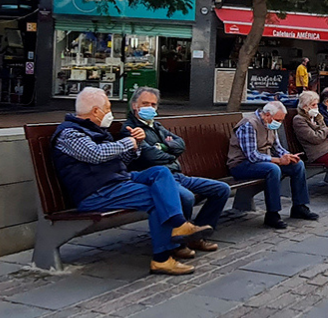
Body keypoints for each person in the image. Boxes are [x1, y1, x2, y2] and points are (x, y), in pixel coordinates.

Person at [52, 87, 211, 275]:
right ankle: (161, 258)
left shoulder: (96, 129)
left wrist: (135, 147)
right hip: (96, 192)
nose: (110, 113)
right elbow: (97, 155)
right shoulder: (70, 134)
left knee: (160, 173)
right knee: (156, 197)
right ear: (96, 111)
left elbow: (120, 162)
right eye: (108, 108)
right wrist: (126, 142)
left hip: (117, 181)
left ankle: (178, 225)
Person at [124, 87, 230, 260]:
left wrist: (163, 148)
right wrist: (169, 151)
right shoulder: (130, 129)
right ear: (135, 106)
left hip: (178, 175)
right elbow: (149, 157)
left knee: (221, 189)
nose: (150, 107)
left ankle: (196, 235)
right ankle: (178, 243)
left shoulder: (156, 126)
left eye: (153, 104)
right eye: (145, 104)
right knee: (186, 197)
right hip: (158, 179)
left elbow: (180, 144)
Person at [228, 100, 319, 229]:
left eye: (281, 120)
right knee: (273, 169)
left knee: (297, 165)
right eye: (278, 120)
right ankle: (272, 214)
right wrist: (278, 160)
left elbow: (277, 147)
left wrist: (288, 156)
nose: (279, 123)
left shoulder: (270, 124)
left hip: (262, 162)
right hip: (241, 164)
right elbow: (252, 156)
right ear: (267, 115)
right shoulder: (249, 125)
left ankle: (300, 206)